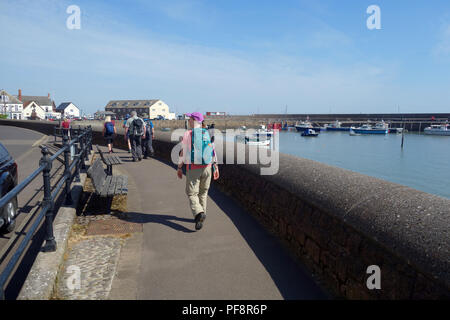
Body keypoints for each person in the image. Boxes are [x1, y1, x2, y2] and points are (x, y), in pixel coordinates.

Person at [177, 112, 219, 231]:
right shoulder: (207, 132)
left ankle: (199, 213)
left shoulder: (188, 134)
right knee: (203, 193)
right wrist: (216, 166)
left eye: (189, 119)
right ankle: (201, 216)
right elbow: (213, 150)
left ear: (194, 120)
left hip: (193, 168)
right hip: (207, 167)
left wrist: (180, 167)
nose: (188, 120)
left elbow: (183, 153)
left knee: (191, 193)